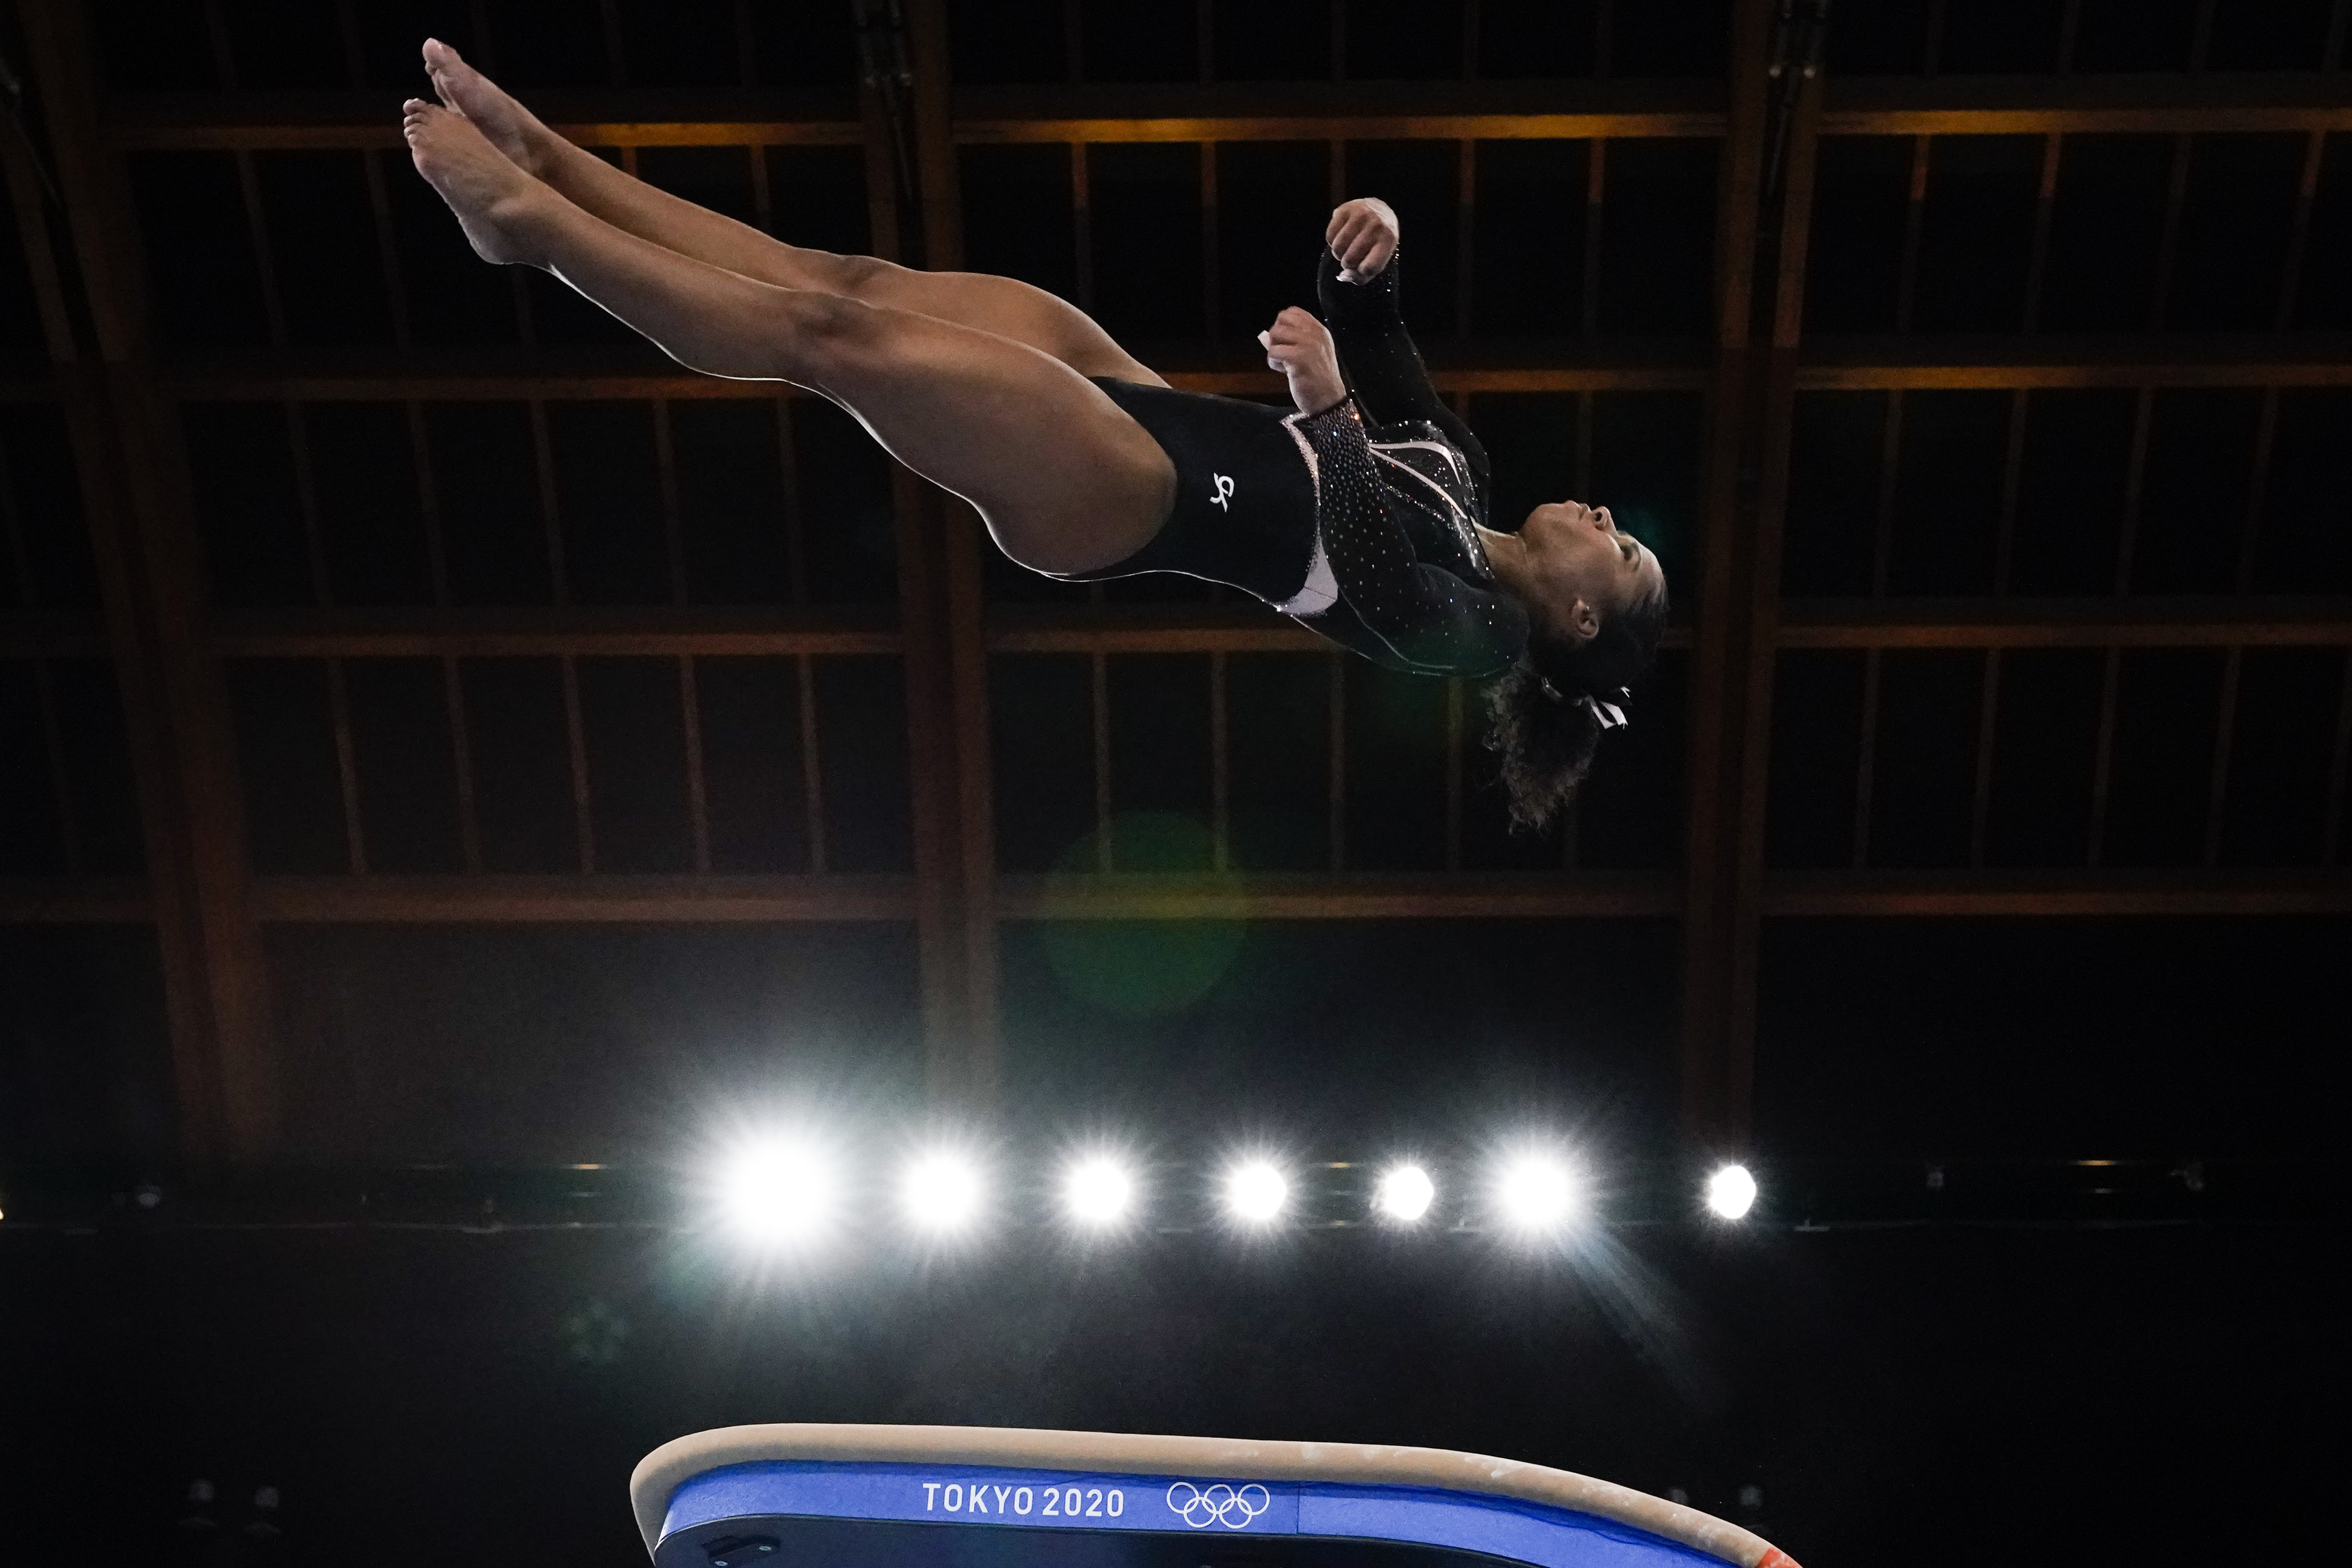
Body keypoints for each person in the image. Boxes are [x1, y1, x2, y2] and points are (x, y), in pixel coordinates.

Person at [402, 40, 1666, 828]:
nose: (1608, 521)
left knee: (822, 343)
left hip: (1133, 495)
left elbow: (1383, 584)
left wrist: (1329, 409)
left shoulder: (1483, 631)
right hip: (1143, 398)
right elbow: (1369, 320)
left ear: (1584, 619)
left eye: (1622, 555)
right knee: (841, 282)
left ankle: (529, 226)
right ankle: (548, 159)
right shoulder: (1462, 466)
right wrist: (1374, 235)